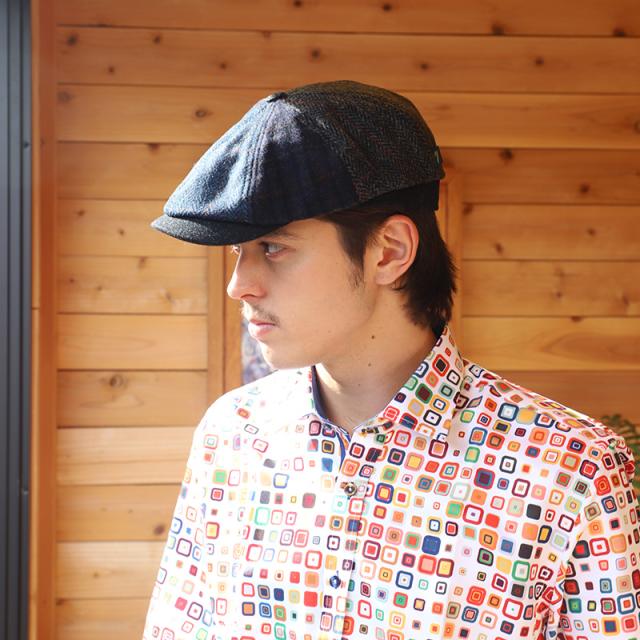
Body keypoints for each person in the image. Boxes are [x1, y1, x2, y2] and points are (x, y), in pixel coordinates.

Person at [142, 80, 640, 640]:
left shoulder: (569, 469)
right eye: (239, 251)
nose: (239, 285)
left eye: (274, 247)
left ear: (390, 251)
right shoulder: (232, 435)